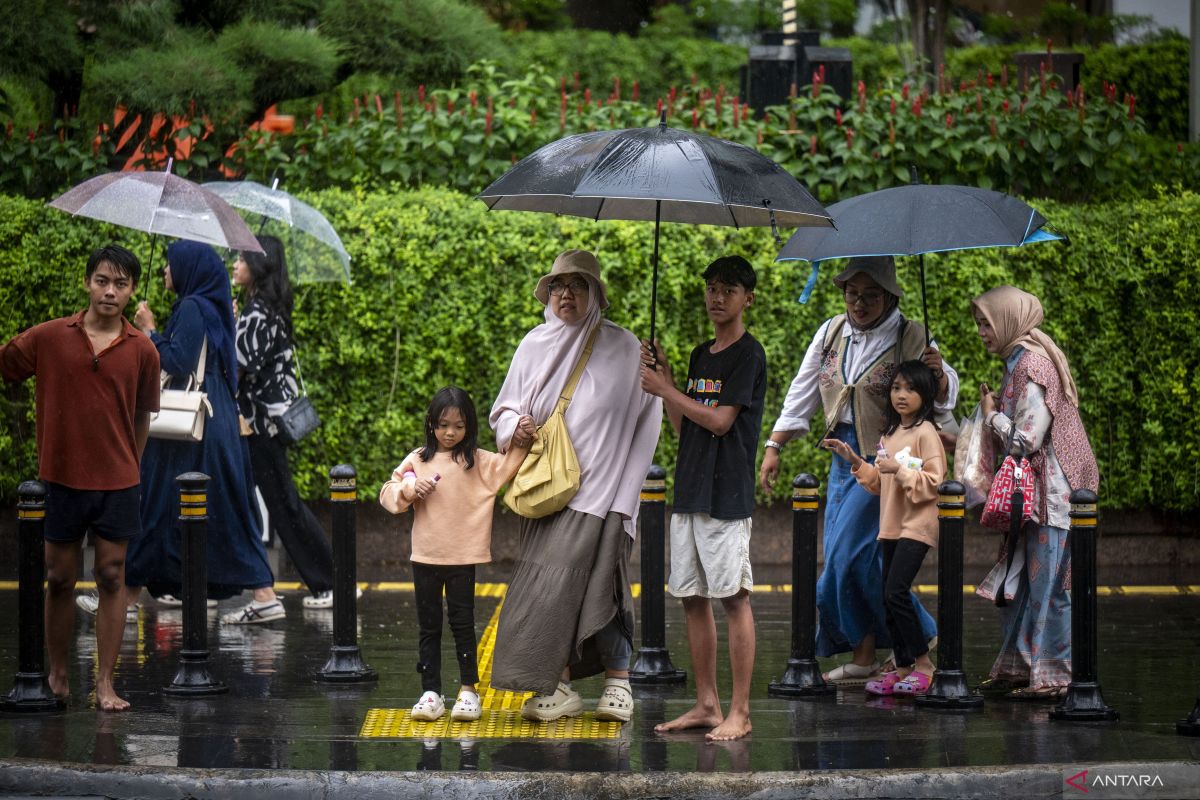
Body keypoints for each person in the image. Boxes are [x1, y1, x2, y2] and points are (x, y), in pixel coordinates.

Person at [759, 256, 957, 681]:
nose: (860, 304)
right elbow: (803, 389)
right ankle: (869, 656)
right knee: (855, 558)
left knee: (846, 558)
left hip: (889, 457)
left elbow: (945, 391)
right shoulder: (831, 331)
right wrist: (775, 443)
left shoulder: (911, 334)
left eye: (871, 295)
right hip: (842, 458)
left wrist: (938, 376)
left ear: (889, 296)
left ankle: (920, 639)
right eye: (853, 294)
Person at [488, 249, 662, 724]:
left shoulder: (628, 348)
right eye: (559, 286)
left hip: (604, 496)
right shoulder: (534, 345)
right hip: (547, 491)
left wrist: (626, 501)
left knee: (601, 590)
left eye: (578, 286)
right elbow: (503, 410)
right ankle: (559, 684)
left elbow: (649, 424)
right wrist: (515, 429)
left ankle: (619, 684)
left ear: (596, 295)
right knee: (550, 595)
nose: (567, 295)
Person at [0, 244, 160, 710]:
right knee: (60, 577)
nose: (111, 291)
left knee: (112, 576)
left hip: (118, 481)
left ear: (131, 291)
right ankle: (59, 674)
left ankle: (106, 683)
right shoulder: (50, 337)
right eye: (103, 281)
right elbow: (8, 363)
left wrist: (131, 462)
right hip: (62, 478)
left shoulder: (143, 350)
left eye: (121, 284)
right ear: (88, 282)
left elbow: (143, 415)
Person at [638, 255, 765, 741]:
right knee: (691, 598)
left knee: (733, 597)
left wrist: (667, 388)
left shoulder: (749, 355)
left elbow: (720, 421)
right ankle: (708, 705)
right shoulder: (699, 354)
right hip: (690, 489)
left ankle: (741, 712)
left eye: (728, 290)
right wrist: (667, 381)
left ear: (747, 299)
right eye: (711, 288)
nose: (717, 297)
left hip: (726, 493)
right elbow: (684, 426)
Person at [123, 240, 282, 624]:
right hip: (216, 419)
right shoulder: (211, 306)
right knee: (222, 505)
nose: (165, 271)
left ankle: (124, 595)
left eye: (170, 265)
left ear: (189, 269)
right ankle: (262, 594)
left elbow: (177, 359)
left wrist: (149, 332)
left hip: (195, 427)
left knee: (159, 502)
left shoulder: (194, 307)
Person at [970, 285, 1098, 700]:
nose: (982, 333)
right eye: (979, 325)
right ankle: (1023, 668)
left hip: (1054, 497)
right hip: (1034, 495)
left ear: (1009, 320)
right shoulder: (1016, 363)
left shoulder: (1034, 366)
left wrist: (992, 417)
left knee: (1049, 586)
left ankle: (1053, 676)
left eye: (987, 324)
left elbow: (1027, 438)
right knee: (1023, 582)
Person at [379, 387, 535, 722]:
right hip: (425, 557)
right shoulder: (417, 460)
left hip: (462, 558)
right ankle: (430, 691)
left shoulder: (477, 460)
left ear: (470, 427)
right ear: (431, 423)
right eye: (443, 424)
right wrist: (410, 488)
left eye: (459, 426)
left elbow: (509, 465)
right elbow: (388, 494)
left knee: (463, 624)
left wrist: (522, 437)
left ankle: (468, 691)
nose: (450, 432)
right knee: (429, 626)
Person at [822, 360, 946, 697]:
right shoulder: (890, 434)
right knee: (887, 595)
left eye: (910, 389)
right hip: (890, 525)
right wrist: (855, 460)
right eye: (895, 388)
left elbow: (935, 482)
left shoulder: (926, 433)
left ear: (926, 394)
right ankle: (904, 666)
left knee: (896, 592)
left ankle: (924, 665)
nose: (901, 395)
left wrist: (899, 470)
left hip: (917, 524)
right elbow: (879, 483)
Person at [233, 236, 339, 609]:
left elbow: (240, 367)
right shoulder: (267, 308)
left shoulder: (258, 312)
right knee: (272, 502)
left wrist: (234, 327)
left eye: (242, 258)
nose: (235, 264)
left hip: (259, 424)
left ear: (258, 266)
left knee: (284, 504)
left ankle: (331, 583)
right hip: (265, 422)